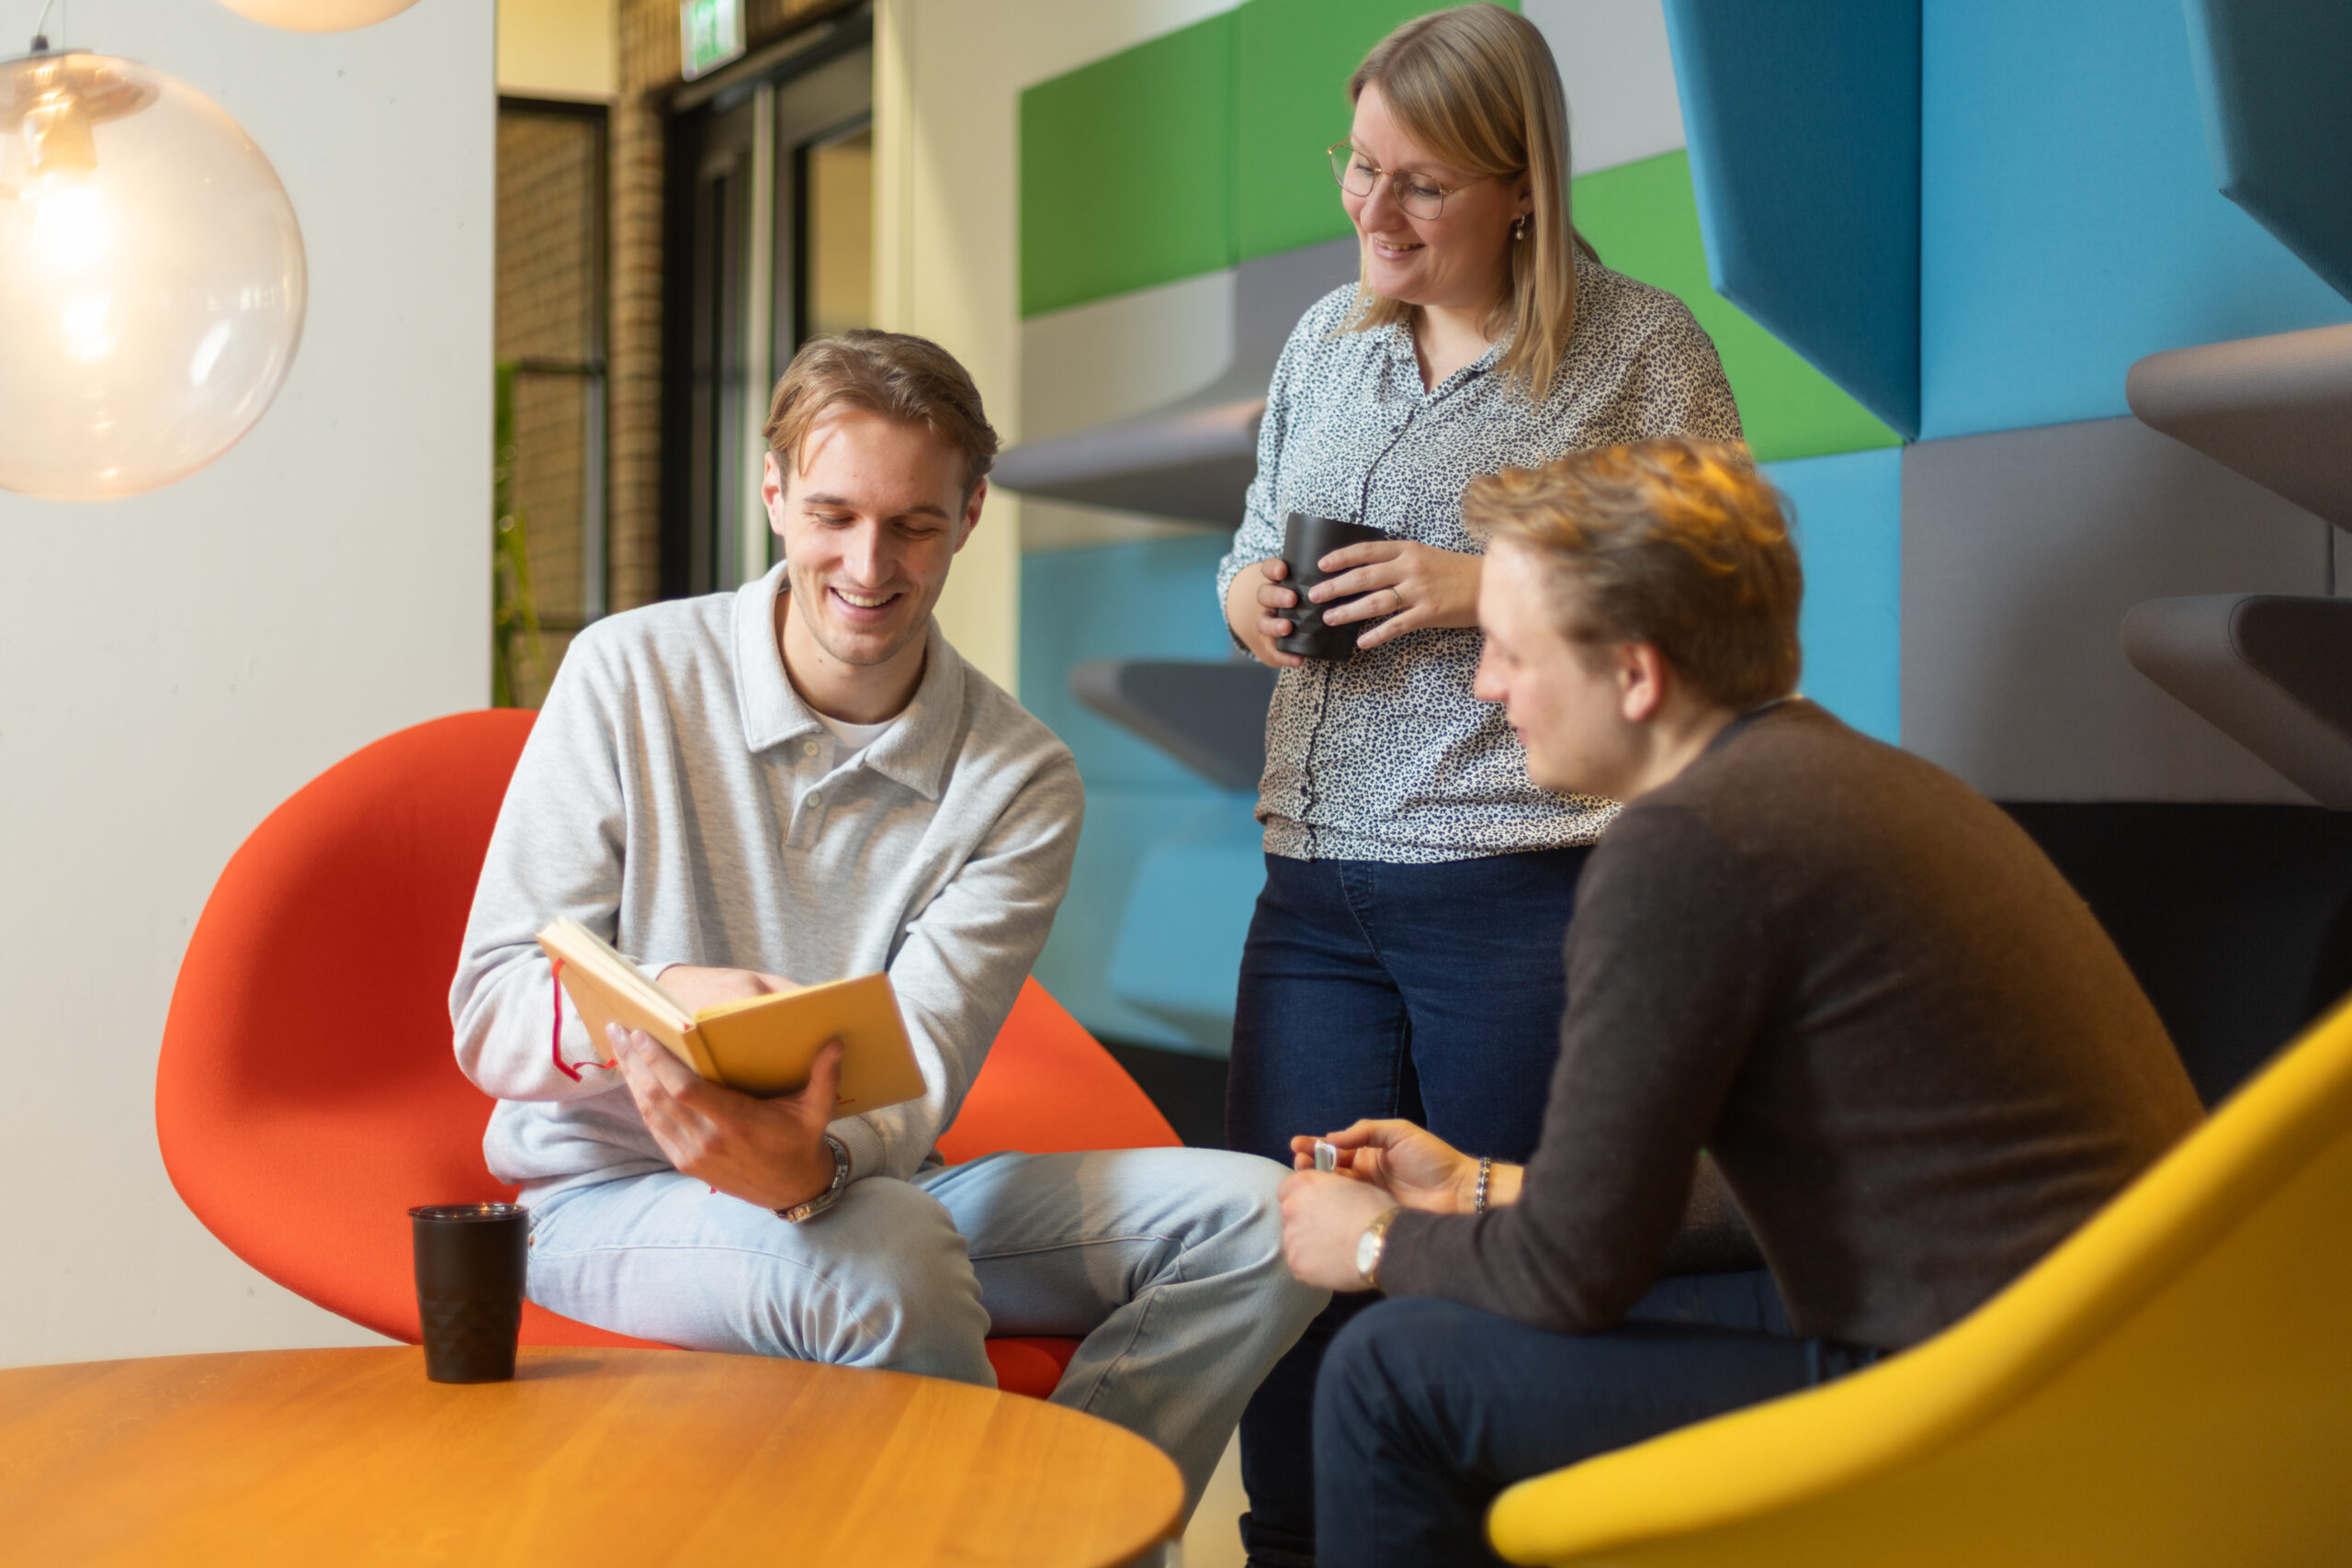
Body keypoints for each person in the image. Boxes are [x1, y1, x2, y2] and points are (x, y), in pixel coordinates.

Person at [1273, 437, 2208, 1564]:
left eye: (1513, 653)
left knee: (1390, 1369)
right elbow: (1783, 1183)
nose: (1486, 685)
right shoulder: (1839, 780)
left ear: (1633, 673)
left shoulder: (1691, 843)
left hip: (1985, 1408)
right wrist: (1479, 1189)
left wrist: (1371, 1245)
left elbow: (1570, 1275)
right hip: (2113, 1377)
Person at [450, 330, 1326, 1520]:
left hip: (871, 1173)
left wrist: (809, 1165)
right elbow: (490, 1008)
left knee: (1276, 1222)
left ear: (969, 516)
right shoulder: (626, 675)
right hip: (607, 1193)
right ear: (773, 493)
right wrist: (660, 1001)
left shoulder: (1019, 776)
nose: (869, 564)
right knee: (894, 1249)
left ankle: (1059, 1528)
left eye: (914, 523)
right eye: (833, 513)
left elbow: (915, 1075)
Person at [1214, 8, 1745, 1559]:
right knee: (1294, 1268)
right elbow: (1254, 538)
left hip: (1518, 884)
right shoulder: (1330, 338)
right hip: (1312, 889)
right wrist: (1244, 597)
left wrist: (1477, 583)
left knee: (1504, 1271)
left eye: (1421, 185)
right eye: (1358, 169)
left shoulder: (1643, 353)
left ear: (1525, 186)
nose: (1373, 214)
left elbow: (1709, 602)